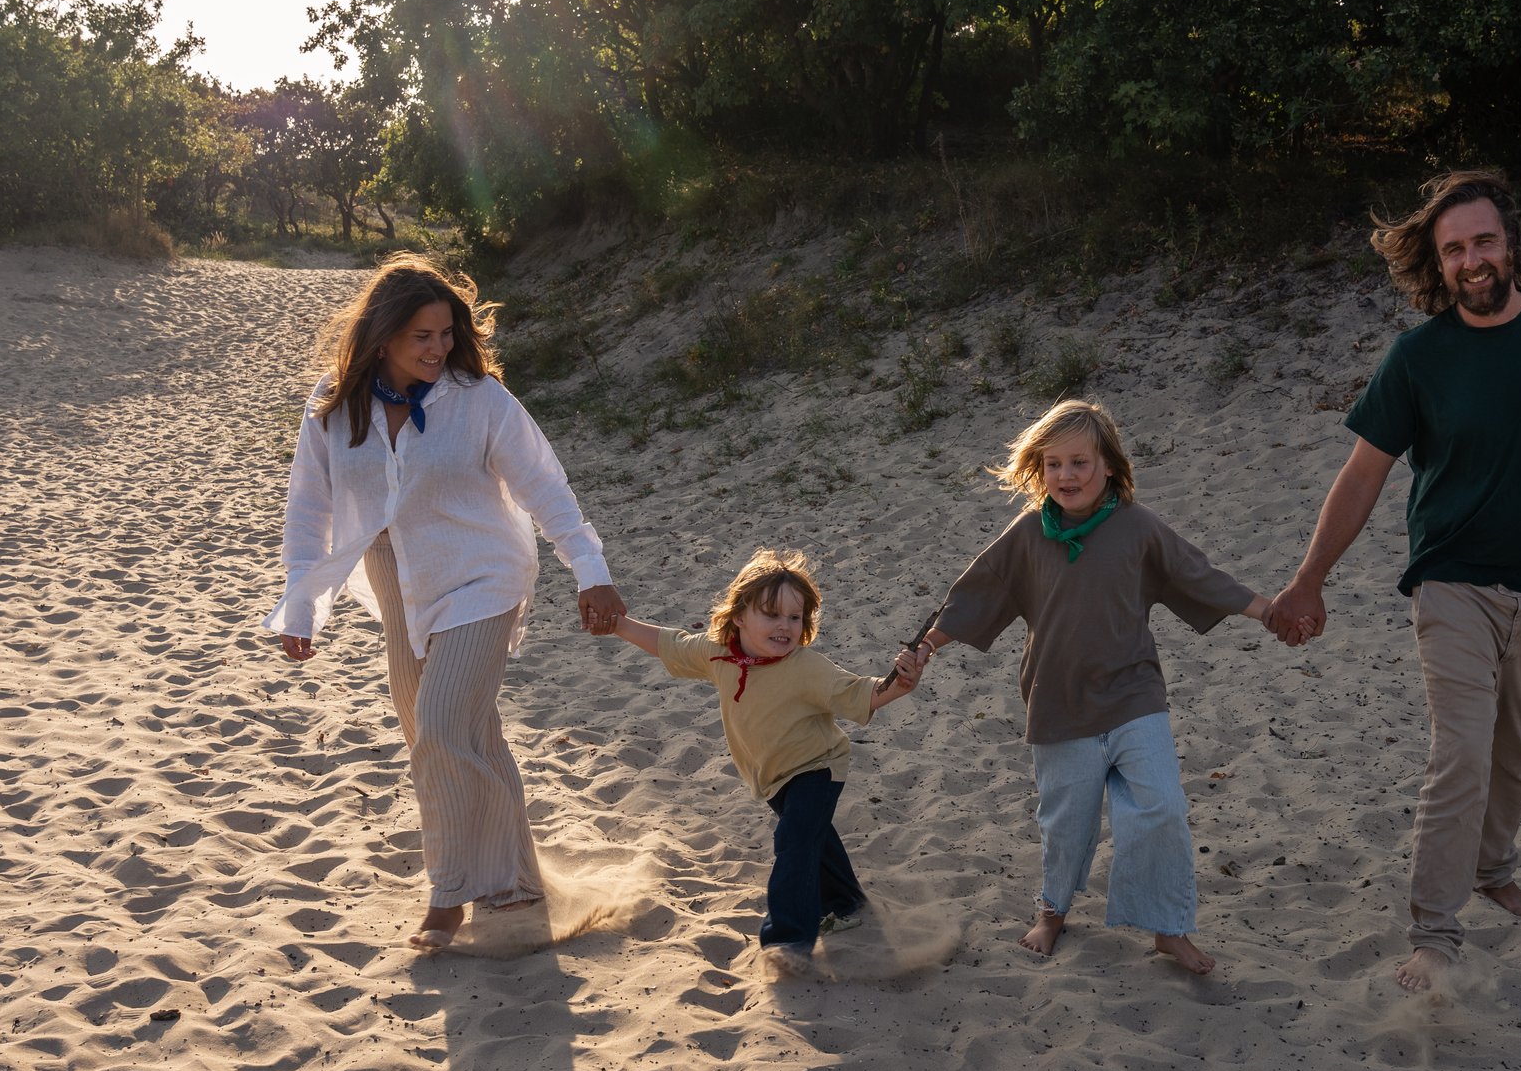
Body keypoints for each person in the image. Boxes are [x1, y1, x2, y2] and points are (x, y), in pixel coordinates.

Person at [1270, 170, 1521, 991]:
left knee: (1514, 752)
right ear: (1439, 264)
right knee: (1460, 752)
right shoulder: (1419, 357)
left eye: (1483, 242)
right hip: (1451, 581)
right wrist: (1310, 578)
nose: (1471, 260)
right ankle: (1434, 933)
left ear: (1511, 243)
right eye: (1454, 250)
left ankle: (1493, 867)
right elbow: (1361, 475)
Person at [266, 254, 624, 953]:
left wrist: (591, 569)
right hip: (396, 576)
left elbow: (545, 487)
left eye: (444, 334)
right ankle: (516, 881)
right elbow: (308, 507)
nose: (438, 349)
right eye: (421, 337)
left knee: (438, 723)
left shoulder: (480, 399)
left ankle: (448, 892)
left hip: (484, 573)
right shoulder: (335, 404)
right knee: (457, 730)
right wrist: (301, 603)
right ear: (381, 338)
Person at [909, 400, 1273, 977]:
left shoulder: (1137, 526)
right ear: (1038, 470)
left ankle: (1167, 928)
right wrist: (927, 646)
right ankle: (1052, 911)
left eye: (1079, 462)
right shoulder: (1029, 533)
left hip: (1134, 696)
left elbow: (1195, 574)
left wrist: (1270, 612)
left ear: (1108, 466)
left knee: (1162, 806)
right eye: (1053, 464)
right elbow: (979, 590)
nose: (1066, 476)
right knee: (1067, 821)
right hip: (1058, 700)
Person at [595, 550, 926, 976]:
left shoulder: (807, 667)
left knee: (795, 842)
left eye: (794, 617)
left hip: (817, 767)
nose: (784, 627)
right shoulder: (718, 653)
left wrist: (902, 682)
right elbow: (667, 644)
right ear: (739, 616)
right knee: (814, 841)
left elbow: (864, 693)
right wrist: (617, 623)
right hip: (771, 775)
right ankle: (848, 905)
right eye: (771, 615)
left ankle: (788, 939)